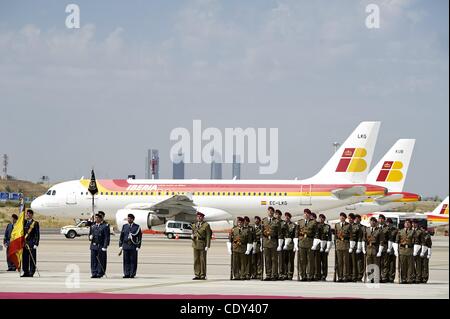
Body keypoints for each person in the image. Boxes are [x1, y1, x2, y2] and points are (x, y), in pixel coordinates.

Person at [295, 209, 318, 281]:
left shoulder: (313, 222)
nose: (306, 215)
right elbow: (297, 233)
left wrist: (315, 244)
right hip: (301, 243)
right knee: (302, 260)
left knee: (310, 260)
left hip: (310, 242)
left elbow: (316, 234)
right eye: (305, 213)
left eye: (307, 214)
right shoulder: (300, 222)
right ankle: (302, 275)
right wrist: (296, 244)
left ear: (310, 215)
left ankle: (309, 275)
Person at [261, 207, 282, 280]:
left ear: (273, 212)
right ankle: (268, 274)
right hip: (266, 242)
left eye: (271, 211)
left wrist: (279, 244)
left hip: (273, 242)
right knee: (267, 259)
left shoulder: (277, 221)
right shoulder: (264, 220)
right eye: (269, 211)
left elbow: (279, 233)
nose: (270, 212)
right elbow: (262, 233)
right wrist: (261, 244)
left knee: (274, 259)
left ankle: (274, 274)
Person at [119, 213, 142, 278]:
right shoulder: (124, 226)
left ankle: (132, 274)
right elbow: (121, 236)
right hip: (126, 245)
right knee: (126, 260)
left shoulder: (137, 227)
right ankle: (126, 273)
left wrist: (138, 246)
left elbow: (139, 237)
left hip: (133, 246)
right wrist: (120, 245)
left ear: (132, 219)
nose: (128, 219)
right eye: (128, 218)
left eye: (130, 218)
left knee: (133, 261)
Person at [191, 211, 212, 280]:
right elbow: (193, 233)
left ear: (203, 218)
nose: (199, 218)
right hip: (195, 243)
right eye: (198, 216)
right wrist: (192, 236)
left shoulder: (206, 225)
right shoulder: (194, 225)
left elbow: (208, 236)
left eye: (200, 216)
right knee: (196, 260)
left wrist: (207, 245)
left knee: (202, 260)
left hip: (202, 243)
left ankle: (203, 275)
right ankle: (197, 274)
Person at [89, 213, 110, 278]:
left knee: (101, 260)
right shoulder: (93, 226)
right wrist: (90, 237)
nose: (96, 219)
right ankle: (94, 272)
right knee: (93, 260)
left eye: (97, 218)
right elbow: (90, 234)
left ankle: (100, 273)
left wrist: (105, 246)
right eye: (95, 218)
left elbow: (107, 237)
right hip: (94, 245)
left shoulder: (105, 226)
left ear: (101, 219)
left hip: (101, 246)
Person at [394, 219, 414, 284]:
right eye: (406, 223)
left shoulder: (413, 232)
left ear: (411, 224)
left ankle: (409, 279)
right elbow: (397, 241)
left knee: (410, 266)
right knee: (402, 266)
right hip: (402, 250)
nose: (407, 224)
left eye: (408, 223)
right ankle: (403, 278)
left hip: (410, 250)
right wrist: (396, 251)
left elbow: (415, 242)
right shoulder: (400, 231)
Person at [22, 209, 40, 277]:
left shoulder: (35, 223)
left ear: (32, 215)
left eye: (29, 214)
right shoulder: (24, 222)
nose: (28, 215)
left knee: (32, 259)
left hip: (32, 243)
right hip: (25, 243)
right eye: (27, 213)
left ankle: (31, 272)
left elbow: (37, 234)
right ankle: (25, 272)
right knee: (25, 258)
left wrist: (36, 243)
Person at [364, 217, 382, 283]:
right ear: (370, 222)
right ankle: (370, 277)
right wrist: (363, 248)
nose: (372, 222)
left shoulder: (379, 230)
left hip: (375, 248)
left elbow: (381, 241)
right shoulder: (367, 229)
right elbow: (364, 240)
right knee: (369, 264)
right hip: (368, 248)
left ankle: (376, 277)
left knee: (376, 264)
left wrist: (380, 251)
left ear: (376, 222)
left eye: (374, 221)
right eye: (371, 221)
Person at [334, 212, 350, 282]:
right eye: (341, 216)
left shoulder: (348, 225)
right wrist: (335, 244)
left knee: (345, 262)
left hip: (345, 244)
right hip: (339, 244)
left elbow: (350, 235)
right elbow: (335, 235)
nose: (341, 218)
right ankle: (339, 276)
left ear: (345, 218)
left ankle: (345, 276)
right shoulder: (337, 225)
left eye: (343, 217)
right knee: (339, 262)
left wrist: (344, 235)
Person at [317, 214, 332, 281]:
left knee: (324, 262)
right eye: (320, 218)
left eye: (322, 218)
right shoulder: (317, 226)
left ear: (324, 219)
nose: (321, 219)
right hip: (318, 245)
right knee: (317, 261)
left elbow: (329, 237)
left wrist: (328, 248)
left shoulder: (327, 226)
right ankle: (318, 274)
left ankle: (324, 275)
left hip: (325, 245)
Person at [282, 212, 297, 280]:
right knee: (284, 260)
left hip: (291, 245)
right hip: (283, 245)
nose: (286, 218)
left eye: (288, 216)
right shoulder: (282, 225)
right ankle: (285, 274)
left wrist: (295, 245)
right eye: (285, 216)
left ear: (290, 217)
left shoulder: (294, 225)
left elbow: (295, 236)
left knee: (291, 260)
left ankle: (290, 274)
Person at [377, 214, 390, 283]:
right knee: (377, 262)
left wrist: (389, 247)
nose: (380, 220)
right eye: (379, 218)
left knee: (384, 263)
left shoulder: (387, 228)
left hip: (384, 247)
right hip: (376, 247)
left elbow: (389, 238)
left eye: (382, 219)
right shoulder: (376, 227)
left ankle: (384, 277)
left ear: (384, 220)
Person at [275, 210, 287, 280]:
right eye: (276, 214)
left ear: (280, 215)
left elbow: (285, 232)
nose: (277, 215)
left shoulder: (283, 223)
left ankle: (281, 273)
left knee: (281, 259)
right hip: (273, 242)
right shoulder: (273, 222)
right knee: (274, 259)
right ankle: (275, 273)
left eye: (278, 214)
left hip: (281, 242)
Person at [411, 219, 424, 283]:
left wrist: (422, 251)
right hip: (411, 249)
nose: (413, 224)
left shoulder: (420, 231)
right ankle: (413, 277)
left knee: (418, 264)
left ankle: (418, 278)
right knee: (412, 264)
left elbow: (423, 242)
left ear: (417, 224)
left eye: (415, 223)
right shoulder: (410, 230)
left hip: (418, 249)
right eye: (413, 223)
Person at [386, 217, 398, 283]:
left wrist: (395, 250)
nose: (388, 224)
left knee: (392, 264)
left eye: (389, 223)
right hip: (385, 248)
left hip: (392, 249)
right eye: (387, 223)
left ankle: (391, 277)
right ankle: (385, 276)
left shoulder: (395, 230)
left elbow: (396, 240)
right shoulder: (384, 229)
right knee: (385, 263)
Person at [354, 214, 366, 281]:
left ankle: (360, 275)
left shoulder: (363, 227)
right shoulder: (351, 226)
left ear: (360, 219)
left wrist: (362, 247)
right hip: (353, 246)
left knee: (360, 261)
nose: (356, 220)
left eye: (357, 218)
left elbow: (364, 237)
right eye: (355, 218)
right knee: (353, 261)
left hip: (360, 246)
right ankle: (354, 275)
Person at [348, 213, 359, 282]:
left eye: (350, 218)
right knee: (348, 262)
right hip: (347, 246)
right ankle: (349, 275)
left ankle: (354, 276)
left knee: (354, 262)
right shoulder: (347, 226)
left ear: (353, 219)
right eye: (348, 218)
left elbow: (358, 237)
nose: (349, 220)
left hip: (354, 246)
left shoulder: (356, 226)